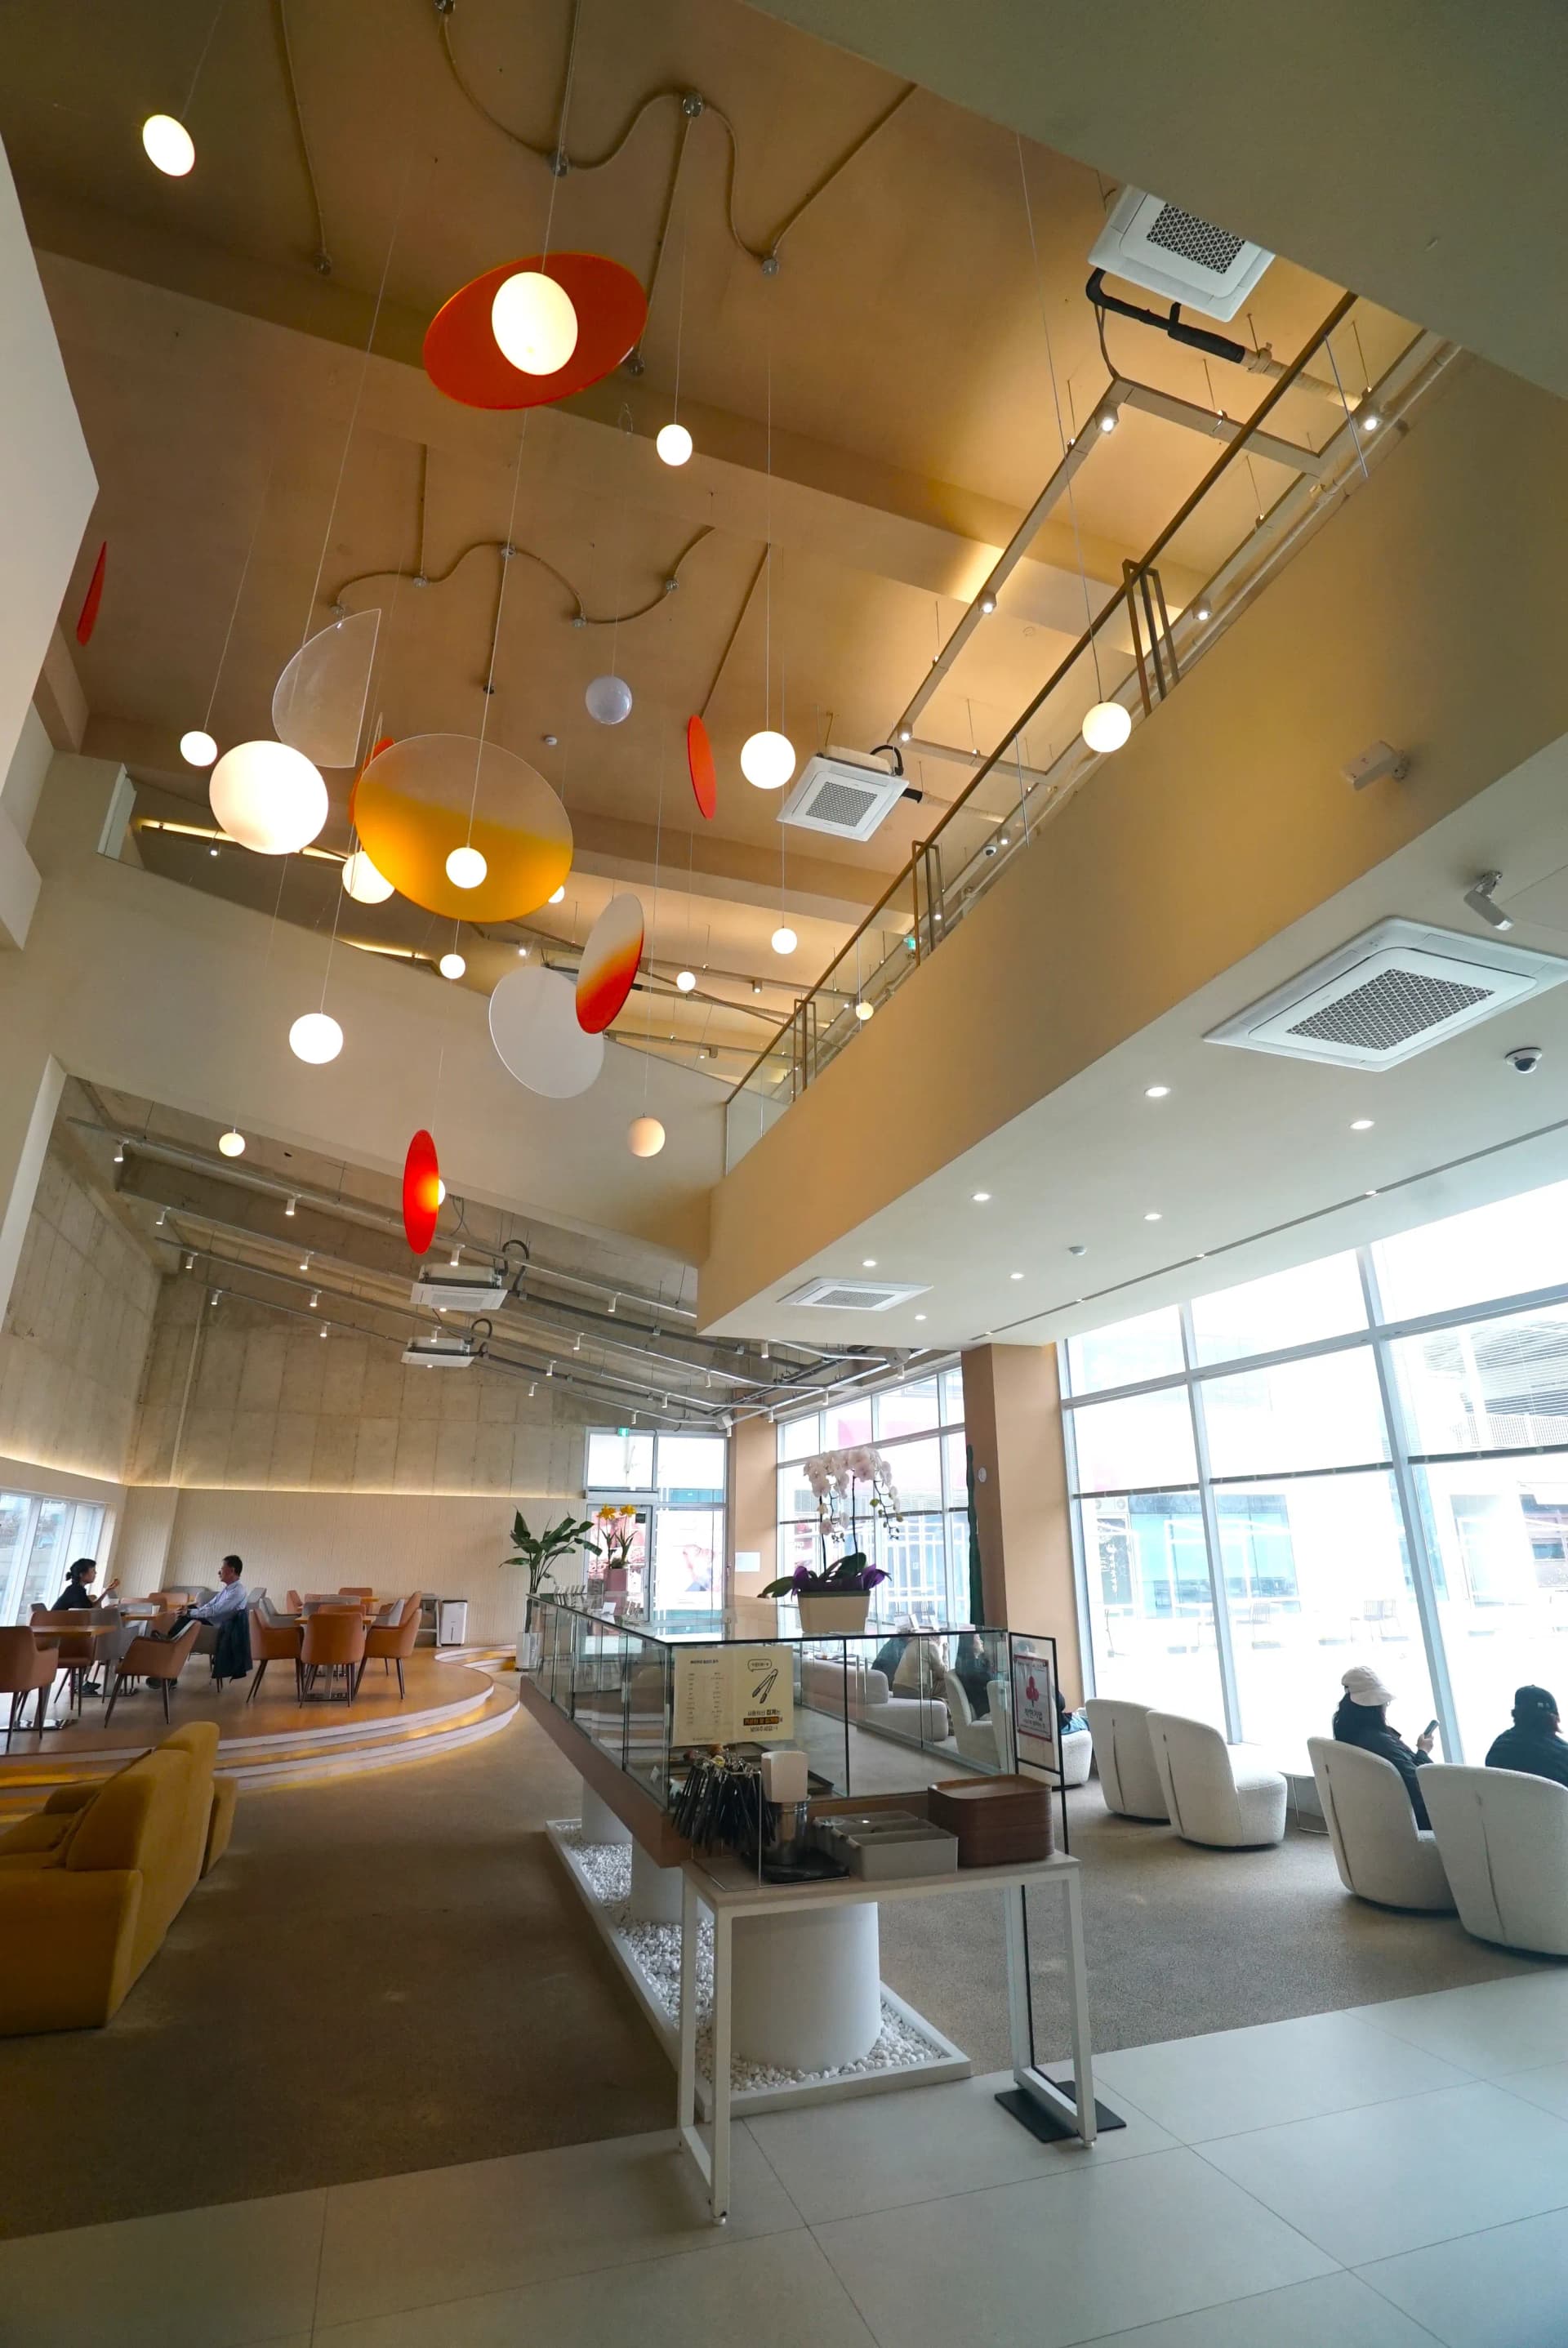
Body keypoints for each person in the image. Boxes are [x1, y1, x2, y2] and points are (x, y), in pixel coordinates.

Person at [1333, 1664, 1435, 1827]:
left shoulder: (1347, 1733)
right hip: (1420, 1816)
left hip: (1386, 1813)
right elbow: (1420, 1781)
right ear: (1374, 1707)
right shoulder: (1379, 1741)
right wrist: (1423, 1750)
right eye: (1384, 1703)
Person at [1485, 1686, 1568, 1791]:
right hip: (1557, 1807)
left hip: (1509, 1806)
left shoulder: (1499, 1748)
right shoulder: (1564, 1754)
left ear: (1516, 1714)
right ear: (1554, 1718)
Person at [162, 1556, 247, 1638]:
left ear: (232, 1570)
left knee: (187, 1614)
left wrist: (189, 1613)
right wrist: (192, 1611)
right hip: (211, 1619)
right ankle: (173, 1640)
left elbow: (215, 1610)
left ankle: (170, 1640)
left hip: (217, 1625)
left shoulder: (237, 1591)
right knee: (188, 1609)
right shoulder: (227, 1589)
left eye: (222, 1569)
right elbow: (210, 1605)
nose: (219, 1572)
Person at [51, 1557, 118, 1611]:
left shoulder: (76, 1589)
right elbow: (86, 1613)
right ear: (82, 1574)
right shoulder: (76, 1591)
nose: (95, 1573)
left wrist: (106, 1591)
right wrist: (106, 1610)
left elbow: (90, 1606)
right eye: (93, 1570)